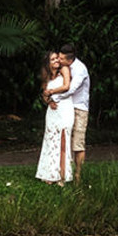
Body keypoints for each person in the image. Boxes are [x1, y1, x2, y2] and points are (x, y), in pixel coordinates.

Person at [49, 43, 90, 179]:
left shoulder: (80, 69)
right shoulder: (63, 68)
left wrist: (54, 96)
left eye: (61, 59)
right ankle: (64, 173)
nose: (58, 60)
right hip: (66, 107)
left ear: (70, 59)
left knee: (77, 143)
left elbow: (71, 89)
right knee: (63, 140)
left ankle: (78, 174)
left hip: (79, 108)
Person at [35, 51, 74, 185]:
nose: (57, 60)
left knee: (63, 140)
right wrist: (49, 101)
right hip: (52, 113)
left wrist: (51, 92)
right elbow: (44, 95)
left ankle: (62, 175)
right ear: (48, 63)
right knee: (51, 141)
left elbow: (66, 86)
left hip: (65, 109)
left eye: (57, 58)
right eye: (53, 59)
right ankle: (50, 173)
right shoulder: (46, 78)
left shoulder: (64, 70)